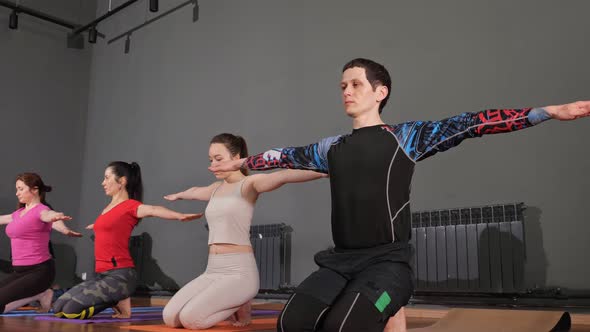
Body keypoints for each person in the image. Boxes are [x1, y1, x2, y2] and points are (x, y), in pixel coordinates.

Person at [209, 58, 590, 332]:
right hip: (340, 262)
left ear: (380, 92)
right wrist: (242, 164)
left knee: (344, 327)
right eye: (342, 86)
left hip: (388, 264)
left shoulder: (406, 137)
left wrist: (548, 112)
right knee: (291, 323)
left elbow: (475, 123)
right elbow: (283, 155)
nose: (347, 91)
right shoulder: (331, 147)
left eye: (356, 84)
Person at [162, 133, 326, 330]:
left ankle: (240, 300)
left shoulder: (249, 184)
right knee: (170, 317)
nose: (213, 165)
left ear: (236, 157)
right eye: (210, 160)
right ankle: (235, 302)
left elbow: (283, 176)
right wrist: (179, 195)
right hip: (212, 270)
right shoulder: (215, 189)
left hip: (239, 273)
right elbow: (195, 191)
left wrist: (324, 171)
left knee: (190, 319)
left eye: (218, 159)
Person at [52, 161, 202, 319]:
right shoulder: (108, 208)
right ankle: (118, 300)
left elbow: (153, 210)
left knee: (70, 311)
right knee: (58, 308)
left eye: (107, 178)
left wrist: (179, 216)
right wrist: (96, 225)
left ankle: (117, 299)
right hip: (101, 276)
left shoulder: (131, 205)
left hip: (120, 277)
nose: (103, 182)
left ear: (122, 181)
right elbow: (113, 224)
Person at [0, 172, 78, 313]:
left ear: (34, 189)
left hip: (39, 272)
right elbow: (1, 219)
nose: (17, 193)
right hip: (19, 272)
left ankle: (40, 294)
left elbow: (51, 217)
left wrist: (63, 227)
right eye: (17, 189)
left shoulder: (42, 210)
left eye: (21, 189)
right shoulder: (18, 213)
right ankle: (43, 294)